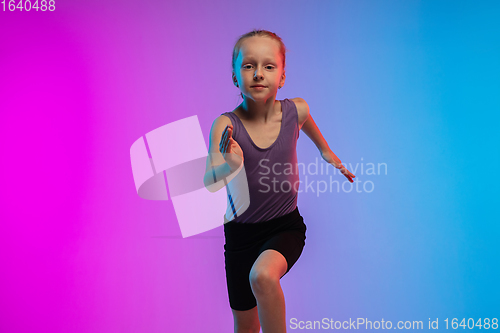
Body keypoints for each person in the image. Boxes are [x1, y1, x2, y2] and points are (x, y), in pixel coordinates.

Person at [203, 29, 355, 333]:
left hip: (285, 226)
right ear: (235, 77)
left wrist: (327, 153)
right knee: (245, 327)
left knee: (262, 276)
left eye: (269, 66)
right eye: (248, 66)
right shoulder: (226, 125)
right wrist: (231, 164)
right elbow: (210, 182)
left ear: (282, 77)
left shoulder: (295, 111)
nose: (259, 74)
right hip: (240, 237)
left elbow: (308, 125)